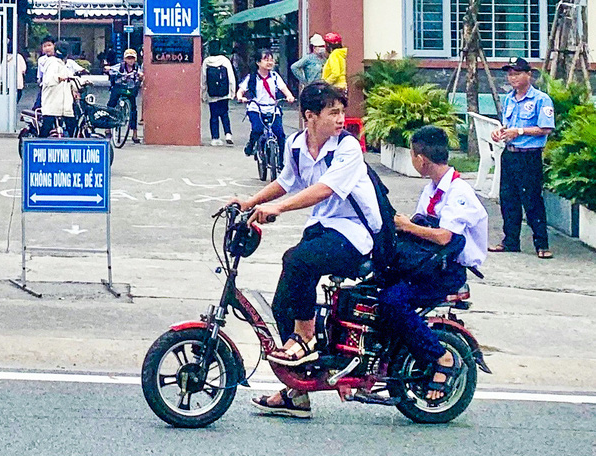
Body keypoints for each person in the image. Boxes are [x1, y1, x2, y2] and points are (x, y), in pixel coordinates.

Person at [233, 81, 381, 418]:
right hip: (324, 229)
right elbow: (288, 180)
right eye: (333, 113)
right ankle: (296, 391)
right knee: (282, 302)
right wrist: (251, 201)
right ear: (309, 116)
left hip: (356, 234)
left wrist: (279, 209)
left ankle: (307, 339)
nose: (341, 119)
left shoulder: (347, 148)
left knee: (297, 261)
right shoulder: (298, 145)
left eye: (342, 111)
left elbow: (325, 190)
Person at [379, 125, 488, 402]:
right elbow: (419, 224)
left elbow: (443, 237)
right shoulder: (432, 189)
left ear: (421, 159)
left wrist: (408, 226)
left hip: (445, 271)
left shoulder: (458, 192)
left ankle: (441, 358)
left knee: (393, 301)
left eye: (414, 155)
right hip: (426, 264)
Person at [489, 57, 555, 259]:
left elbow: (545, 128)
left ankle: (541, 244)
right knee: (508, 199)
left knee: (532, 200)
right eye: (510, 74)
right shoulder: (509, 98)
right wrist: (499, 132)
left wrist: (519, 131)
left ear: (529, 75)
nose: (513, 78)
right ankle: (510, 241)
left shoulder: (540, 100)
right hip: (510, 154)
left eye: (517, 73)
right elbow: (506, 124)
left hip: (529, 157)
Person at [236, 49, 295, 157]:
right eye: (266, 59)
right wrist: (241, 98)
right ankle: (251, 145)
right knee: (257, 129)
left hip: (273, 108)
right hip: (256, 108)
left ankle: (281, 162)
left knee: (280, 134)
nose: (269, 62)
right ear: (258, 62)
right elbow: (240, 91)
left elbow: (284, 89)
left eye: (271, 60)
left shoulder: (275, 76)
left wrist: (289, 96)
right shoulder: (251, 77)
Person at [201, 40, 236, 146]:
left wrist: (203, 94)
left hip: (212, 94)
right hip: (224, 93)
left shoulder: (206, 62)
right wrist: (232, 92)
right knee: (225, 114)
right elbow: (231, 77)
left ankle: (215, 138)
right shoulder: (224, 60)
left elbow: (203, 79)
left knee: (214, 115)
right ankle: (228, 134)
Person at [106, 48, 144, 144]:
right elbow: (111, 70)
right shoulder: (120, 67)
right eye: (128, 58)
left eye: (132, 58)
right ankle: (108, 128)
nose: (130, 60)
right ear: (124, 59)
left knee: (133, 110)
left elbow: (141, 75)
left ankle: (134, 133)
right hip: (118, 88)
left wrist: (140, 76)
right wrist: (108, 69)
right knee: (111, 105)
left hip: (130, 90)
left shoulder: (137, 68)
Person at [39, 41, 76, 138]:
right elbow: (48, 80)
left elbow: (72, 79)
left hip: (65, 105)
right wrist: (59, 78)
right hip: (52, 103)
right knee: (46, 128)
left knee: (72, 126)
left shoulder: (65, 65)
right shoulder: (52, 63)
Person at [33, 35, 56, 110]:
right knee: (37, 108)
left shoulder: (59, 58)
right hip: (45, 87)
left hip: (58, 87)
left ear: (54, 46)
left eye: (49, 45)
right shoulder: (41, 60)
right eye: (44, 46)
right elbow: (40, 75)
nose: (47, 48)